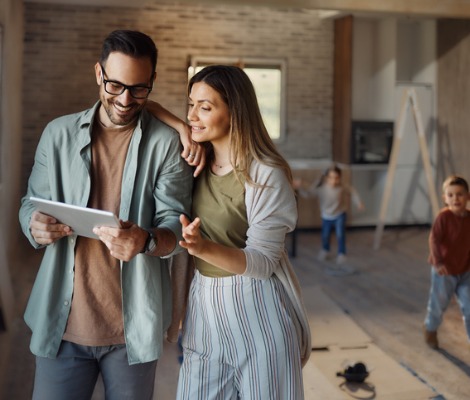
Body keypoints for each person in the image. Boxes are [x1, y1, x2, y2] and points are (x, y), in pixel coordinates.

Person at [18, 30, 195, 400]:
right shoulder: (58, 134)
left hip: (132, 333)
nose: (126, 99)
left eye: (139, 88)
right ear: (98, 73)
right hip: (61, 323)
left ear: (153, 83)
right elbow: (30, 205)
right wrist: (35, 225)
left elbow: (176, 231)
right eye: (115, 85)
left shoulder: (166, 144)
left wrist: (145, 240)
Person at [173, 65, 311, 400]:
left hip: (257, 313)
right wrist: (170, 118)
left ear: (235, 112)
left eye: (205, 107)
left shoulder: (265, 173)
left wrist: (201, 247)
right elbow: (150, 114)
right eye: (190, 104)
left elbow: (263, 262)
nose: (193, 115)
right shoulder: (195, 161)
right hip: (204, 309)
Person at [424, 175, 470, 349]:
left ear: (468, 196)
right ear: (445, 198)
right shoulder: (443, 218)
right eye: (450, 195)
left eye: (460, 194)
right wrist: (438, 262)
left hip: (465, 269)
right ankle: (430, 328)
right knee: (438, 304)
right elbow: (434, 239)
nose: (455, 199)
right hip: (444, 270)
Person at [295, 164, 364, 264]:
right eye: (331, 177)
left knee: (340, 234)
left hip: (340, 214)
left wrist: (359, 202)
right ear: (326, 177)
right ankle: (325, 250)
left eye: (336, 178)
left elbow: (352, 191)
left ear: (340, 178)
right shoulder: (321, 188)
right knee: (325, 235)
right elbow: (308, 194)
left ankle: (342, 253)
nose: (334, 180)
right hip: (326, 216)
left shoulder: (342, 186)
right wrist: (300, 187)